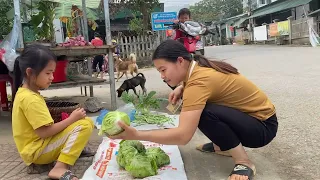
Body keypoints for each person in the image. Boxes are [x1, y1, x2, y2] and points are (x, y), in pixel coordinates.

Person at [109, 40, 278, 180]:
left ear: (180, 61)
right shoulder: (197, 70)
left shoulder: (198, 82)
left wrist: (136, 135)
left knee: (204, 113)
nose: (162, 76)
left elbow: (183, 136)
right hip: (254, 121)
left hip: (262, 128)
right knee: (202, 110)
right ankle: (224, 145)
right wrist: (181, 87)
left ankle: (243, 161)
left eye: (163, 70)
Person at [12, 44, 94, 180]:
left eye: (52, 73)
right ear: (30, 72)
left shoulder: (25, 93)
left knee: (85, 122)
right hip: (37, 151)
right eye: (48, 73)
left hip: (35, 148)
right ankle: (60, 167)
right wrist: (71, 119)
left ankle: (69, 153)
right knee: (84, 125)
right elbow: (44, 132)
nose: (52, 77)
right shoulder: (30, 99)